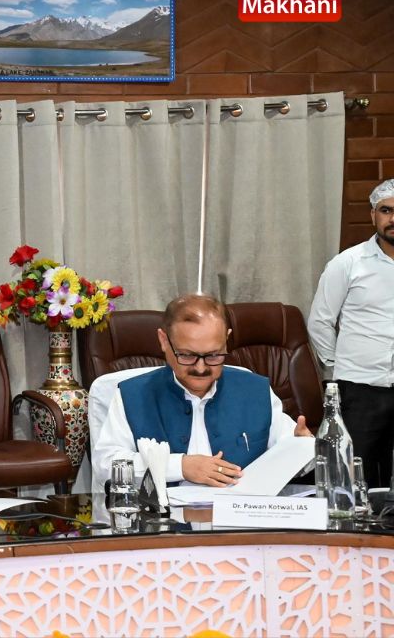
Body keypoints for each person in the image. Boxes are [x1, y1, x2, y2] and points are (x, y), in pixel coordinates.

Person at [93, 294, 311, 490]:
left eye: (213, 355)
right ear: (164, 341)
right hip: (163, 519)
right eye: (187, 355)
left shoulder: (255, 390)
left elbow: (291, 451)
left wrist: (304, 449)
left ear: (226, 339)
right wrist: (180, 466)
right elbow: (106, 465)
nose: (200, 368)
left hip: (240, 518)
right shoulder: (133, 395)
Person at [308, 178, 394, 489]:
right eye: (386, 210)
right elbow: (320, 321)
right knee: (356, 475)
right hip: (359, 388)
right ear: (373, 215)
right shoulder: (348, 263)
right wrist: (336, 368)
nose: (392, 218)